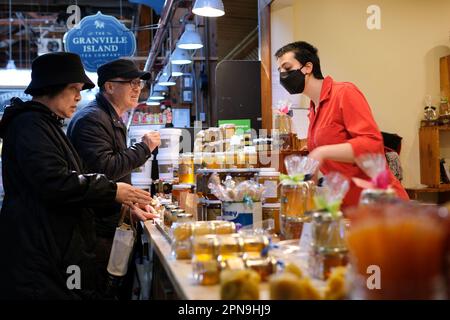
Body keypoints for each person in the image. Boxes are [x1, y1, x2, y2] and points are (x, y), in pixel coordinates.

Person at [0, 52, 152, 300]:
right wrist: (113, 191)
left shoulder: (46, 124)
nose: (79, 97)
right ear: (52, 87)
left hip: (52, 251)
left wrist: (121, 204)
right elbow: (57, 183)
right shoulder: (30, 125)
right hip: (38, 256)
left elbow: (77, 178)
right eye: (74, 89)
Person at [67, 58, 161, 299]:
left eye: (138, 82)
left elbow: (111, 175)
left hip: (108, 224)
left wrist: (128, 205)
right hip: (95, 231)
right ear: (109, 87)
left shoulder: (110, 117)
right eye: (130, 82)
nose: (137, 88)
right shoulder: (92, 118)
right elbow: (105, 169)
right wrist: (144, 148)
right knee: (101, 291)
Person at [275, 41, 409, 207]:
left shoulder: (344, 92)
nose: (283, 75)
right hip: (348, 207)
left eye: (287, 68)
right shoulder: (313, 110)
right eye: (279, 71)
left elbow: (372, 144)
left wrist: (321, 153)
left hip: (380, 204)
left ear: (308, 67)